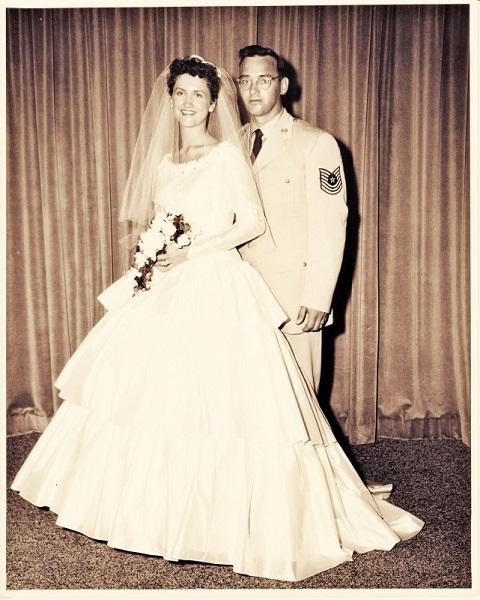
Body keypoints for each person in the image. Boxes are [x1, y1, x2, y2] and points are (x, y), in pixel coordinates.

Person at [11, 56, 424, 583]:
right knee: (163, 395)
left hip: (238, 284)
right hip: (177, 286)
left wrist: (194, 252)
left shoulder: (260, 150)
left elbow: (267, 220)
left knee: (264, 411)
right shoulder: (172, 160)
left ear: (213, 103)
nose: (187, 103)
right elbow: (167, 219)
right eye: (180, 93)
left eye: (198, 95)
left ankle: (286, 514)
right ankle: (160, 513)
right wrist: (155, 254)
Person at [237, 44, 347, 394]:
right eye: (245, 81)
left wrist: (319, 296)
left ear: (282, 85)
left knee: (300, 400)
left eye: (263, 80)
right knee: (250, 397)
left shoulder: (315, 143)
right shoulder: (232, 144)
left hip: (294, 299)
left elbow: (330, 225)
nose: (253, 90)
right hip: (242, 294)